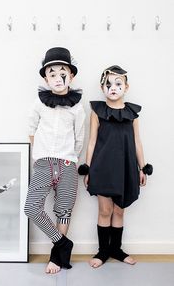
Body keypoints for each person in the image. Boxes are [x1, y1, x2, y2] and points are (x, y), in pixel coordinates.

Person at [78, 65, 153, 268]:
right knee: (105, 210)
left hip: (126, 168)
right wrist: (88, 168)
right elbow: (92, 141)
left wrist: (142, 167)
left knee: (119, 211)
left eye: (118, 83)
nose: (113, 87)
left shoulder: (132, 113)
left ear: (126, 87)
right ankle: (103, 252)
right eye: (108, 84)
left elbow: (137, 141)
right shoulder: (98, 111)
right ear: (102, 88)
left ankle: (116, 250)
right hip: (102, 168)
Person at [24, 47, 85, 274]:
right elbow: (31, 129)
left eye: (62, 73)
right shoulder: (39, 104)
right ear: (45, 77)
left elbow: (79, 139)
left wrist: (70, 158)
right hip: (43, 162)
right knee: (32, 207)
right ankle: (62, 243)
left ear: (71, 76)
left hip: (68, 164)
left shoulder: (77, 109)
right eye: (52, 73)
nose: (57, 78)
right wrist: (40, 154)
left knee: (64, 210)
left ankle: (56, 257)